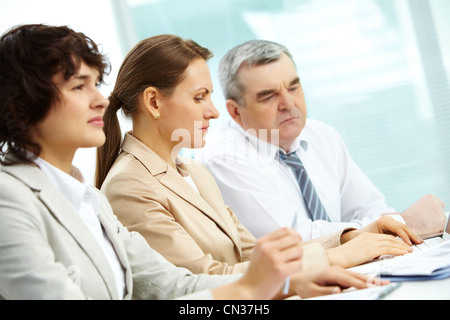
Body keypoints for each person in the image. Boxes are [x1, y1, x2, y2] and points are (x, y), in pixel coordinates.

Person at [0, 24, 311, 300]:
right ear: (22, 102)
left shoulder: (87, 198)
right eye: (79, 86)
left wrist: (288, 284)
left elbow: (172, 285)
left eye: (96, 84)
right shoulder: (8, 199)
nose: (101, 100)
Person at [96, 33, 418, 287]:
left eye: (210, 96)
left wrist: (353, 236)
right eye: (199, 97)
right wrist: (338, 257)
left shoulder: (193, 172)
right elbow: (201, 282)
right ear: (153, 101)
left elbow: (257, 256)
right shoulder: (130, 185)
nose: (214, 111)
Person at [196, 39, 447, 241]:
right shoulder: (223, 156)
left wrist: (390, 225)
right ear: (235, 111)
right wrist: (401, 224)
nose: (288, 104)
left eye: (293, 87)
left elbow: (368, 207)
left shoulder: (321, 135)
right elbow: (295, 240)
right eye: (269, 96)